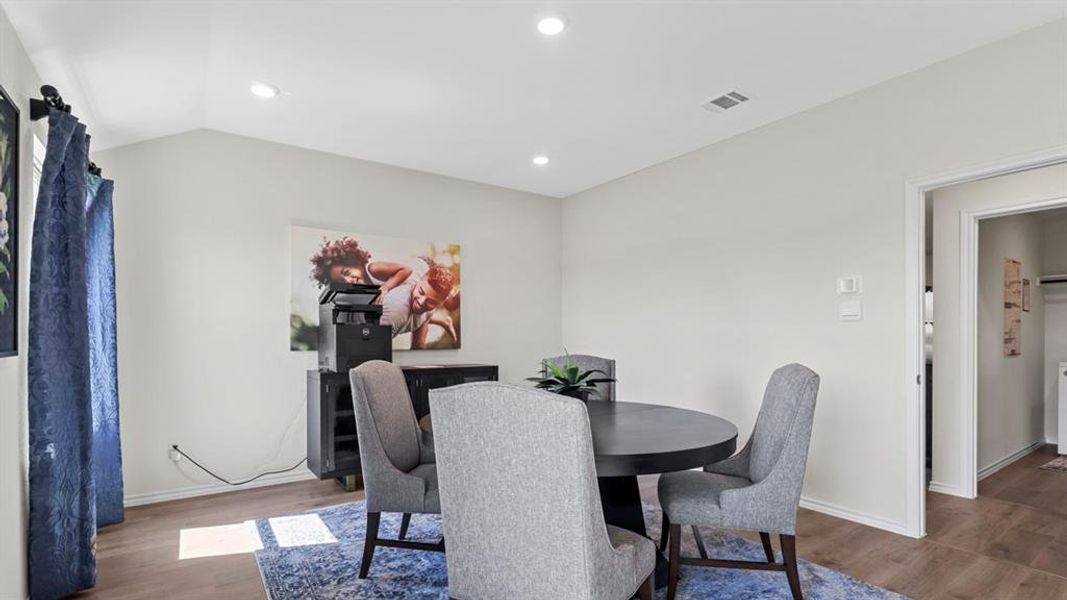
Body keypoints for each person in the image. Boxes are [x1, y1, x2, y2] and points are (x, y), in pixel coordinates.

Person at [380, 257, 459, 349]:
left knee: (418, 344)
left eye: (431, 302)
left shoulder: (429, 298)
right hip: (424, 265)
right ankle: (443, 321)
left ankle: (443, 321)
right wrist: (386, 287)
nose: (421, 302)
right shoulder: (395, 310)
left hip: (424, 271)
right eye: (421, 291)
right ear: (418, 282)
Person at [308, 236, 412, 301]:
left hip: (416, 288)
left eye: (347, 272)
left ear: (355, 262)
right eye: (342, 281)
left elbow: (406, 270)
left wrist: (386, 287)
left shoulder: (373, 269)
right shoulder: (365, 287)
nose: (348, 280)